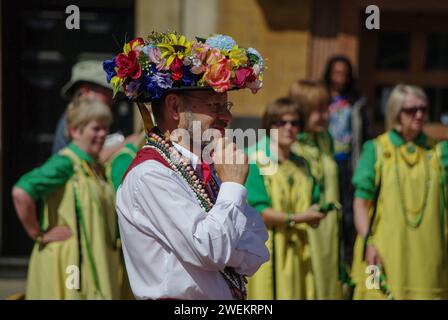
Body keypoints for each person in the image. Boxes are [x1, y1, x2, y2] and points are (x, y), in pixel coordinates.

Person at [107, 32, 269, 300]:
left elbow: (258, 250)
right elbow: (212, 250)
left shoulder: (205, 167)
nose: (227, 116)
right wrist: (231, 186)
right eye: (215, 105)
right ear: (174, 107)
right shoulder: (150, 174)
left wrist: (225, 247)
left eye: (225, 104)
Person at [12, 99, 123, 299]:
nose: (102, 134)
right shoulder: (65, 163)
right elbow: (21, 192)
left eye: (105, 128)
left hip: (94, 263)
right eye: (96, 128)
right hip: (69, 266)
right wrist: (38, 234)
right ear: (74, 130)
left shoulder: (92, 166)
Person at [351, 84, 448, 299]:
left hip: (428, 258)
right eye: (411, 110)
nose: (419, 114)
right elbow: (360, 204)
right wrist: (368, 242)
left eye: (423, 108)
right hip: (381, 252)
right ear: (396, 113)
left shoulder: (440, 151)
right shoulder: (375, 149)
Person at [245, 97, 327, 299]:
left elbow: (315, 201)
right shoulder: (255, 161)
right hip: (267, 250)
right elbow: (259, 212)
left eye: (295, 123)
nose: (289, 128)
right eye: (281, 122)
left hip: (299, 250)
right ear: (269, 126)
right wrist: (298, 218)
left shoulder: (304, 164)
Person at [289, 80, 343, 299]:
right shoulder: (288, 142)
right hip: (300, 228)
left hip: (328, 229)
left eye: (326, 109)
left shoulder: (325, 139)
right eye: (317, 110)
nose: (324, 115)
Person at [322, 55, 370, 266]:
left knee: (349, 213)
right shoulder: (321, 97)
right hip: (325, 161)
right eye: (336, 72)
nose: (340, 77)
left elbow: (365, 133)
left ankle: (348, 258)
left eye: (344, 73)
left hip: (349, 163)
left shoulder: (356, 101)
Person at [53, 60, 126, 162]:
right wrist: (129, 144)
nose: (113, 99)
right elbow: (84, 161)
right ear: (85, 92)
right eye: (108, 93)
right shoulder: (73, 119)